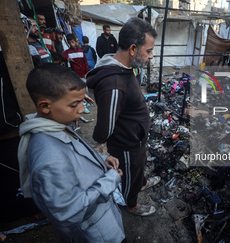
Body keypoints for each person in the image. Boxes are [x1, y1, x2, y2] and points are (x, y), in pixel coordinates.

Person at [17, 63, 125, 242]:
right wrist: (110, 179)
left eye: (82, 101)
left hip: (102, 217)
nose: (82, 109)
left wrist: (101, 159)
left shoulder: (56, 124)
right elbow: (69, 212)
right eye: (75, 104)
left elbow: (75, 157)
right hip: (95, 233)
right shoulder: (49, 159)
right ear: (45, 106)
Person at [87, 17, 160, 216]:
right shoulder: (115, 83)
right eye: (149, 51)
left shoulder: (125, 68)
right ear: (133, 49)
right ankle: (132, 204)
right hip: (127, 145)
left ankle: (142, 182)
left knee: (138, 169)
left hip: (136, 140)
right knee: (129, 174)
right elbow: (104, 130)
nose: (151, 56)